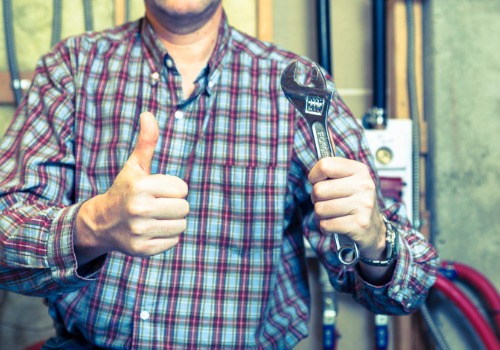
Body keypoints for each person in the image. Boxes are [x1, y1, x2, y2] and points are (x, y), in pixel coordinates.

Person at [0, 0, 438, 348]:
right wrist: (92, 226)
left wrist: (375, 237)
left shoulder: (293, 85)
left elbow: (407, 287)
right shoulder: (72, 68)